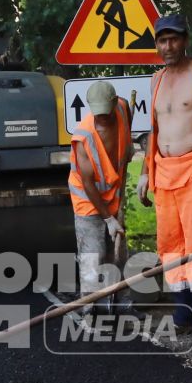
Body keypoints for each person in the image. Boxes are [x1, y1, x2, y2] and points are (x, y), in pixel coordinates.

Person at [135, 14, 192, 335]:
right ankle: (184, 315)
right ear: (157, 44)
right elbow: (154, 130)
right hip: (163, 172)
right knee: (170, 247)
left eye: (174, 39)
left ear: (185, 40)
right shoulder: (156, 80)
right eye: (162, 40)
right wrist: (146, 172)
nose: (168, 45)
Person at [68, 80, 132, 301]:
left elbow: (126, 139)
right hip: (88, 200)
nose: (101, 118)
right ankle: (89, 306)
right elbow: (88, 184)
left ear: (114, 102)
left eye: (106, 113)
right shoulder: (82, 137)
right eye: (98, 114)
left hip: (114, 195)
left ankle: (122, 303)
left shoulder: (123, 108)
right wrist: (108, 219)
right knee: (92, 256)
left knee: (119, 254)